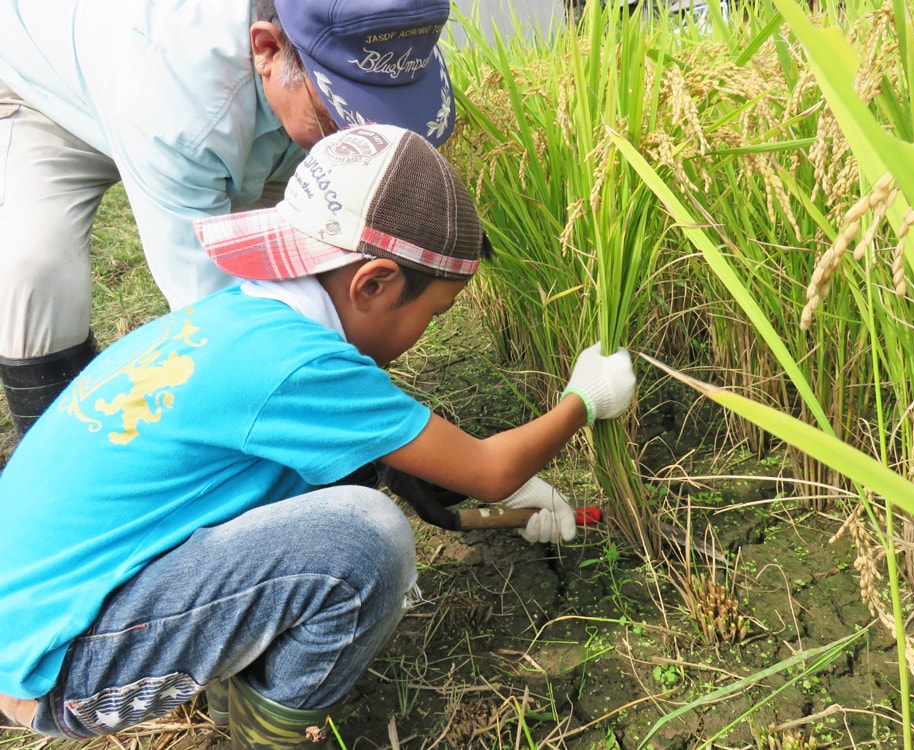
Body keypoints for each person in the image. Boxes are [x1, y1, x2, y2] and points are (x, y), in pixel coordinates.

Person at [0, 124, 636, 749]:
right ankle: (261, 731)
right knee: (362, 539)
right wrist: (585, 400)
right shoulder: (300, 365)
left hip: (36, 621)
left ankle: (237, 681)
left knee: (343, 491)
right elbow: (491, 471)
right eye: (433, 314)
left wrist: (443, 480)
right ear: (374, 283)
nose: (429, 331)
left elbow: (393, 455)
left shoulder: (241, 318)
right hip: (58, 668)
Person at [0, 0, 456, 438]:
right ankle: (67, 458)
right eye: (340, 114)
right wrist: (373, 436)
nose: (358, 138)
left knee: (312, 272)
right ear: (268, 49)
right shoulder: (174, 98)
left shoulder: (366, 38)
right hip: (42, 94)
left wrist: (371, 416)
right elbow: (219, 315)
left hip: (228, 106)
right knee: (35, 269)